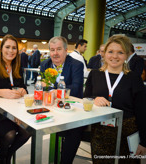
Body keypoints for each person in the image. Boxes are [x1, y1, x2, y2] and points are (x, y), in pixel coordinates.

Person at [84, 35, 146, 164]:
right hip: (101, 132)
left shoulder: (134, 78)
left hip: (127, 133)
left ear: (126, 55)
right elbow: (85, 98)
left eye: (120, 52)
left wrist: (144, 141)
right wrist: (94, 99)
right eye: (110, 51)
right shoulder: (95, 74)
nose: (114, 56)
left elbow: (142, 111)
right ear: (104, 53)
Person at [0, 34, 30, 164]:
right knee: (10, 134)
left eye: (14, 48)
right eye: (7, 47)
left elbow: (25, 89)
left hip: (14, 113)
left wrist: (23, 91)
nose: (11, 50)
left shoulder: (17, 67)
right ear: (1, 48)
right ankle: (2, 158)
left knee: (27, 132)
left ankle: (7, 154)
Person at [40, 36, 85, 164]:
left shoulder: (76, 65)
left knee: (74, 131)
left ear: (66, 50)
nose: (55, 53)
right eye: (52, 50)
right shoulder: (45, 64)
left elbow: (76, 89)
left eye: (59, 49)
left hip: (72, 110)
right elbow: (42, 87)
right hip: (50, 107)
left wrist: (55, 91)